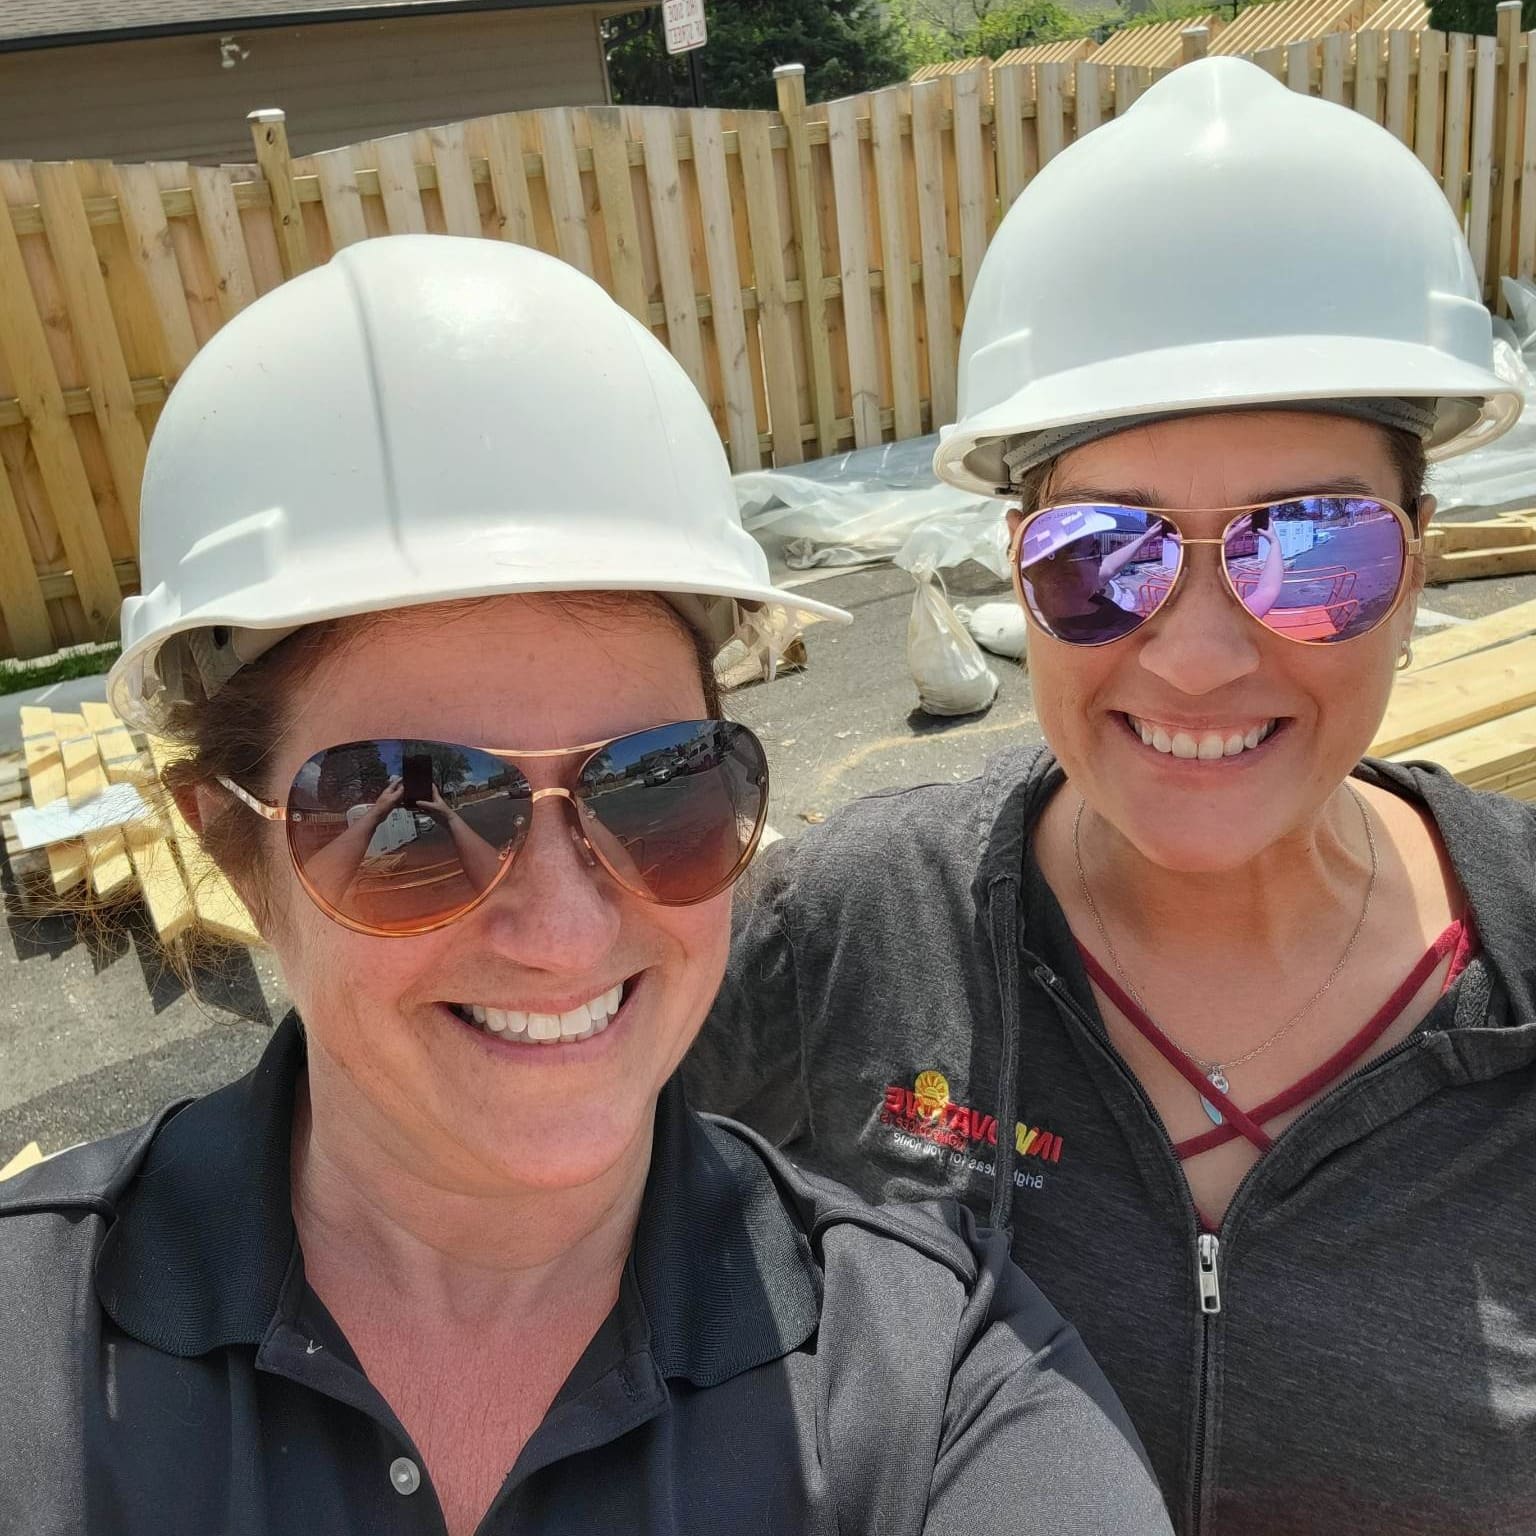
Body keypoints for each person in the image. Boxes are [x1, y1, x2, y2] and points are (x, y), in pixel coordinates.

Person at [0, 236, 1172, 1536]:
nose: (562, 933)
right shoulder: (25, 1348)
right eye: (411, 814)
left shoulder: (936, 1389)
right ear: (235, 849)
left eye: (657, 787)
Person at [686, 58, 1536, 1536]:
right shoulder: (856, 932)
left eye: (1311, 546)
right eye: (1104, 555)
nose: (1199, 657)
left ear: (1417, 561)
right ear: (1020, 561)